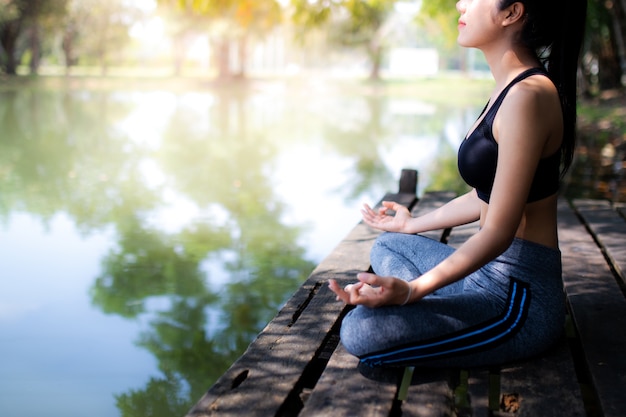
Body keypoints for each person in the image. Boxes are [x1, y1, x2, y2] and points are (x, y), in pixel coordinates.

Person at [328, 0, 588, 368]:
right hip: (484, 274)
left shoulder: (528, 97)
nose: (459, 4)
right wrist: (411, 224)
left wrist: (411, 291)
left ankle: (435, 307)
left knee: (359, 332)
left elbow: (498, 232)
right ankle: (442, 305)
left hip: (517, 300)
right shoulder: (509, 89)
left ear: (512, 13)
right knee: (391, 243)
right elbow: (484, 196)